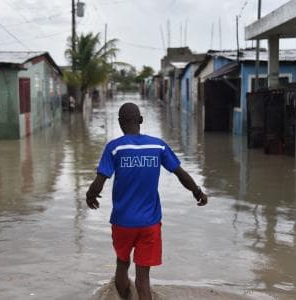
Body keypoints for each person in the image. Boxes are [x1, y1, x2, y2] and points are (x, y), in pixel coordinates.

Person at [86, 102, 208, 300]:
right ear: (140, 120)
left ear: (119, 123)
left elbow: (99, 181)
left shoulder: (115, 148)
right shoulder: (157, 145)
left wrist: (90, 196)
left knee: (122, 265)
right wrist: (197, 192)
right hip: (150, 223)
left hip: (122, 222)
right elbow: (180, 173)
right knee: (143, 279)